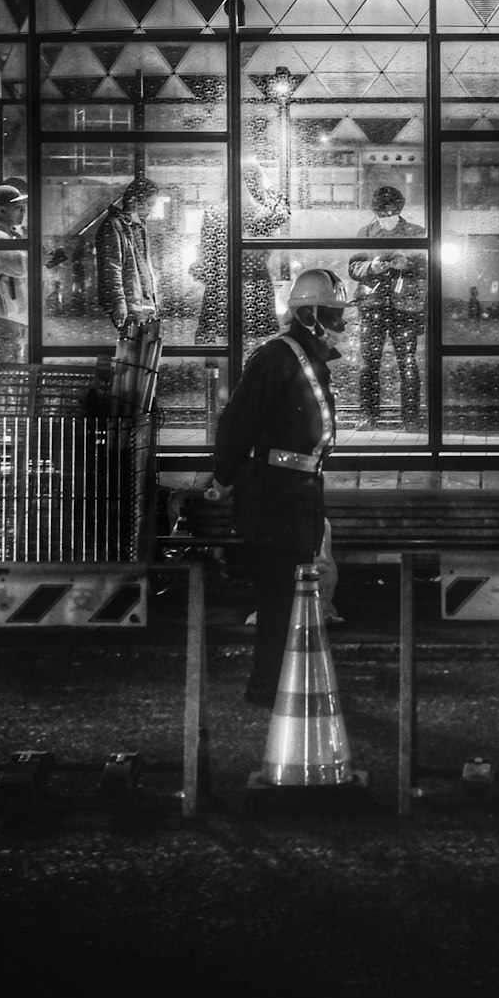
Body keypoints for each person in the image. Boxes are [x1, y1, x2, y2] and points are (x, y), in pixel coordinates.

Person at [209, 267, 350, 707]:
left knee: (288, 593)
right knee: (276, 596)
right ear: (310, 315)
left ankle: (282, 680)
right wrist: (223, 475)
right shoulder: (276, 356)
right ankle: (266, 685)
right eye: (335, 314)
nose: (342, 325)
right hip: (275, 495)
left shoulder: (304, 357)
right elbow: (239, 421)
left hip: (297, 492)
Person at [349, 185, 425, 430]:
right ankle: (369, 415)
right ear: (375, 213)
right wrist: (372, 267)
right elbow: (353, 268)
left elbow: (428, 267)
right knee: (369, 364)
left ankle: (410, 418)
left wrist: (409, 263)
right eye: (382, 215)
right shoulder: (364, 233)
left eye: (391, 213)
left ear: (400, 210)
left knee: (408, 363)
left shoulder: (417, 233)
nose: (386, 219)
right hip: (374, 306)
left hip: (405, 307)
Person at [191, 158, 290, 344]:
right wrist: (265, 186)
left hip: (221, 285)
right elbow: (283, 210)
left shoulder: (215, 213)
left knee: (222, 342)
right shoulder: (260, 215)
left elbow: (206, 253)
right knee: (251, 343)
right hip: (253, 283)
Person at [95, 174, 159, 332]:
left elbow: (144, 266)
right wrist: (119, 302)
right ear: (136, 201)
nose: (151, 210)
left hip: (143, 302)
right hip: (130, 305)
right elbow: (112, 268)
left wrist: (153, 300)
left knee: (142, 351)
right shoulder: (114, 226)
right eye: (149, 204)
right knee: (131, 351)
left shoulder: (138, 227)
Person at [0, 183, 28, 363]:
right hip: (3, 318)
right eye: (17, 207)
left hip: (11, 318)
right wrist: (40, 256)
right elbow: (23, 266)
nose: (23, 211)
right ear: (2, 211)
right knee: (3, 377)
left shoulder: (10, 235)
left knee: (10, 377)